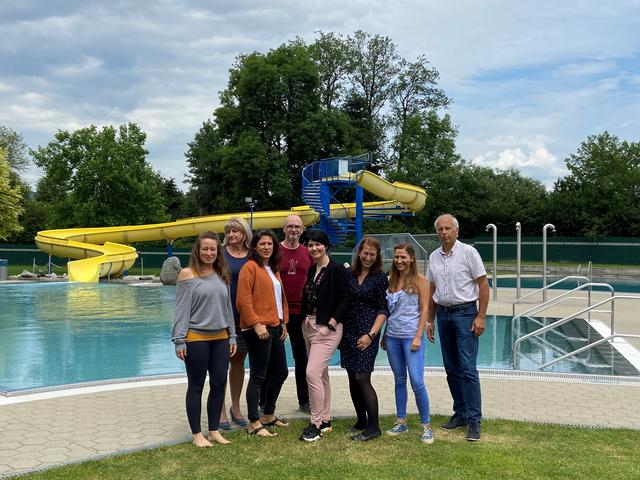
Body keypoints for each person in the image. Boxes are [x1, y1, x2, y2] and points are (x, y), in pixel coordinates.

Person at [426, 214, 489, 442]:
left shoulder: (469, 253)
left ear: (456, 231)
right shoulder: (433, 257)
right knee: (451, 368)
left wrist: (480, 316)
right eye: (440, 229)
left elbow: (483, 284)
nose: (444, 232)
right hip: (443, 315)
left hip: (465, 314)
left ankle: (474, 421)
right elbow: (432, 289)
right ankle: (460, 413)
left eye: (448, 229)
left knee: (468, 369)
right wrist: (430, 320)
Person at [171, 231, 237, 447]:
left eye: (213, 249)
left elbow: (228, 309)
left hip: (220, 338)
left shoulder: (221, 274)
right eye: (205, 249)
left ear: (218, 252)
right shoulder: (187, 275)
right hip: (196, 338)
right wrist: (179, 340)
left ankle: (214, 431)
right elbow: (181, 310)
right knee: (196, 385)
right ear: (197, 251)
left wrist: (232, 336)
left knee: (218, 383)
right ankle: (196, 434)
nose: (209, 253)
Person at [298, 230, 351, 442]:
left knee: (311, 373)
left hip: (327, 329)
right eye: (310, 245)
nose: (314, 249)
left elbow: (346, 299)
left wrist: (330, 324)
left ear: (326, 246)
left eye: (318, 244)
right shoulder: (312, 269)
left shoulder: (337, 270)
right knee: (321, 375)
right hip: (309, 325)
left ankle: (316, 423)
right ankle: (326, 419)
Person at [236, 229, 289, 437]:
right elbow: (243, 299)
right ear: (255, 247)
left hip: (275, 326)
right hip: (258, 329)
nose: (266, 247)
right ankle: (253, 422)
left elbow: (278, 299)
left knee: (281, 372)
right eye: (262, 244)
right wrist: (256, 324)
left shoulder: (273, 268)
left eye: (270, 244)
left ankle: (268, 414)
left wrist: (283, 321)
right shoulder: (250, 267)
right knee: (258, 375)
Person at [383, 243, 434, 444]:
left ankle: (426, 425)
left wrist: (418, 336)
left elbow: (425, 310)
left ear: (412, 258)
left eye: (403, 257)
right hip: (393, 336)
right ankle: (401, 420)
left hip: (411, 336)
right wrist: (385, 335)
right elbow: (389, 312)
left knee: (417, 381)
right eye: (396, 257)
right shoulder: (392, 281)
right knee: (399, 379)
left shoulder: (421, 281)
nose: (399, 261)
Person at [340, 237, 388, 441]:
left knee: (362, 377)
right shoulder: (350, 274)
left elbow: (383, 309)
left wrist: (371, 335)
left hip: (368, 332)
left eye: (372, 254)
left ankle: (373, 426)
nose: (368, 257)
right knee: (352, 377)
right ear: (359, 252)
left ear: (377, 257)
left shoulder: (379, 277)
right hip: (349, 332)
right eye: (365, 253)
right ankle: (361, 420)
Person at [218, 217, 251, 430]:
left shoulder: (252, 255)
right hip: (221, 316)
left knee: (238, 363)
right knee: (220, 364)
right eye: (228, 231)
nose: (231, 235)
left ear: (244, 233)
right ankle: (219, 410)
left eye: (236, 231)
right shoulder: (219, 253)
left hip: (244, 317)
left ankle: (236, 406)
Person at [278, 214, 313, 414]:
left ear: (302, 230)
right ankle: (265, 400)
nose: (293, 230)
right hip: (278, 313)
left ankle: (304, 400)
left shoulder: (307, 252)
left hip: (301, 312)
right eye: (290, 226)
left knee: (302, 358)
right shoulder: (275, 251)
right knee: (272, 359)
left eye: (297, 226)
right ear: (284, 229)